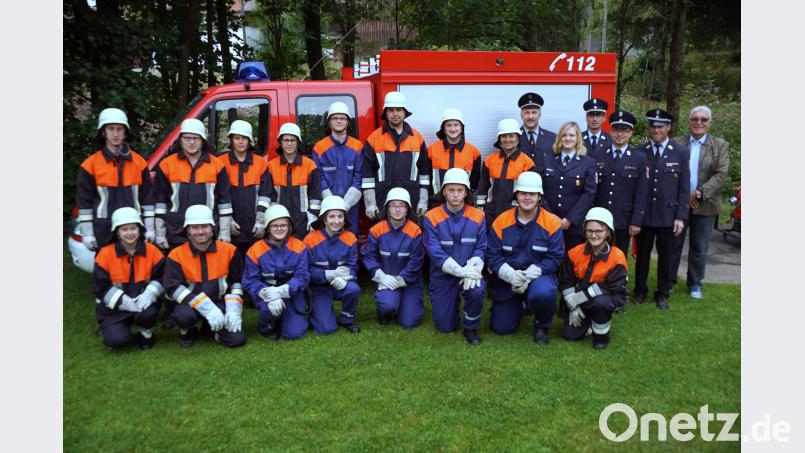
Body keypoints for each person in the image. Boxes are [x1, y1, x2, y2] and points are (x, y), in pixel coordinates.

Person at [486, 172, 563, 344]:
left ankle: (542, 325)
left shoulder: (551, 223)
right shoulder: (501, 221)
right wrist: (509, 274)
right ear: (516, 195)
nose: (527, 198)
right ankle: (520, 306)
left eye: (532, 194)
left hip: (538, 277)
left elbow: (555, 257)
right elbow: (492, 255)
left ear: (539, 197)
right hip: (509, 279)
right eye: (523, 193)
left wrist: (531, 274)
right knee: (500, 328)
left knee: (544, 292)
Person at [163, 205, 246, 348]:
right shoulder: (176, 255)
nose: (200, 231)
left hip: (219, 303)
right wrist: (204, 306)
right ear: (187, 230)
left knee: (236, 340)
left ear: (212, 227)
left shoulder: (229, 251)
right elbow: (172, 287)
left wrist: (234, 308)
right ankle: (188, 330)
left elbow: (237, 281)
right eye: (195, 227)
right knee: (184, 317)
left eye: (204, 227)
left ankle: (211, 329)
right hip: (189, 305)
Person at [669, 106, 730, 299]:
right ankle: (668, 280)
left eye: (704, 119)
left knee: (700, 247)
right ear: (689, 121)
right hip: (679, 203)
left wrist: (698, 193)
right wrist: (685, 196)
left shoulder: (720, 145)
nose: (699, 122)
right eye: (695, 119)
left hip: (706, 204)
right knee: (673, 244)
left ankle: (694, 283)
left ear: (709, 123)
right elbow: (669, 172)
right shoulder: (676, 142)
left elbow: (720, 175)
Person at [633, 109, 690, 310]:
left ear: (668, 128)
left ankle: (663, 293)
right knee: (642, 256)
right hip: (645, 214)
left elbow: (684, 187)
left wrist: (681, 216)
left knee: (666, 257)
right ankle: (640, 290)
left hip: (668, 214)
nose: (656, 129)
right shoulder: (640, 151)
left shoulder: (681, 152)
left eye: (660, 126)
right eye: (653, 126)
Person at [76, 107, 155, 251]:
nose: (115, 134)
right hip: (103, 228)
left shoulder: (139, 163)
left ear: (126, 133)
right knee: (106, 270)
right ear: (104, 132)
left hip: (134, 226)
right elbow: (84, 202)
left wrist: (150, 228)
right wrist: (88, 233)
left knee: (135, 269)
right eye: (111, 129)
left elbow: (148, 199)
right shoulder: (90, 165)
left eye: (119, 129)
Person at [423, 168, 487, 345]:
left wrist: (472, 269)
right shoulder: (431, 217)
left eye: (460, 190)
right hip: (443, 276)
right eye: (451, 190)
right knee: (445, 327)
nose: (456, 195)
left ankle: (470, 326)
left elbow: (481, 247)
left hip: (469, 271)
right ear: (444, 191)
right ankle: (451, 311)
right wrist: (459, 271)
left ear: (466, 191)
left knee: (477, 289)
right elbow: (435, 252)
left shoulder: (478, 215)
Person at [153, 118, 233, 250]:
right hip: (175, 231)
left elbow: (224, 201)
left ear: (202, 141)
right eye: (187, 138)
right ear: (180, 140)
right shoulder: (166, 165)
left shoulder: (217, 166)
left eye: (196, 138)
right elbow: (161, 201)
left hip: (207, 232)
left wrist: (224, 232)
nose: (191, 142)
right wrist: (160, 232)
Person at [92, 207, 165, 349]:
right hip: (114, 308)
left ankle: (146, 333)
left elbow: (163, 277)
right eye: (124, 229)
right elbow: (100, 287)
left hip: (143, 303)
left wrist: (150, 293)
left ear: (139, 230)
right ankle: (118, 327)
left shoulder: (152, 251)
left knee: (148, 313)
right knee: (116, 341)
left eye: (133, 228)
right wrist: (122, 300)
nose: (130, 233)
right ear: (117, 233)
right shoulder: (105, 254)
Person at [560, 207, 627, 350]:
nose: (594, 235)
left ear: (608, 232)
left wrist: (580, 297)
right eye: (590, 231)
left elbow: (610, 287)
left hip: (606, 298)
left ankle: (601, 336)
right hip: (582, 300)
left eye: (599, 231)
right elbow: (566, 280)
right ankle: (589, 322)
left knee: (601, 303)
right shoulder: (574, 253)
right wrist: (573, 304)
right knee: (569, 335)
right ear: (584, 231)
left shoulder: (617, 257)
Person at [243, 204, 311, 340]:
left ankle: (286, 317)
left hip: (291, 292)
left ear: (289, 226)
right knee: (269, 309)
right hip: (267, 293)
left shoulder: (299, 246)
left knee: (294, 334)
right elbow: (250, 281)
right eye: (275, 225)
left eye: (283, 225)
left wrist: (282, 291)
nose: (279, 229)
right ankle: (266, 326)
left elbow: (303, 276)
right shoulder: (255, 250)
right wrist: (267, 293)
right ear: (268, 227)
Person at [362, 187, 425, 328]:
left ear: (407, 209)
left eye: (401, 205)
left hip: (410, 281)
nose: (397, 209)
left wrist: (402, 278)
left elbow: (416, 260)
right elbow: (369, 257)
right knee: (387, 305)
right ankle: (384, 311)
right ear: (387, 208)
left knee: (408, 322)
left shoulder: (415, 231)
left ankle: (408, 304)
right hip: (386, 279)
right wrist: (381, 276)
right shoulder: (376, 230)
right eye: (393, 205)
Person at [361, 91, 431, 220]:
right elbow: (367, 175)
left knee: (410, 237)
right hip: (382, 201)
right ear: (385, 113)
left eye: (398, 110)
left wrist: (423, 200)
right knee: (382, 236)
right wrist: (370, 204)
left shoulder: (417, 138)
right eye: (391, 110)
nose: (395, 114)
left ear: (405, 112)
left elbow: (424, 173)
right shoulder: (374, 138)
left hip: (412, 201)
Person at [592, 110, 648, 261]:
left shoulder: (639, 158)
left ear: (631, 133)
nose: (619, 134)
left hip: (623, 218)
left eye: (624, 130)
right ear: (610, 131)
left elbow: (642, 193)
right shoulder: (598, 154)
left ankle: (618, 284)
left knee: (619, 256)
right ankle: (596, 283)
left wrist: (636, 221)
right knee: (597, 254)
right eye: (616, 130)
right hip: (600, 216)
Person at [219, 120, 275, 264]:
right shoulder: (221, 163)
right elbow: (219, 195)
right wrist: (227, 220)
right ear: (231, 140)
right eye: (237, 138)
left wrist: (261, 220)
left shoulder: (261, 163)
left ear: (250, 141)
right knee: (232, 264)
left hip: (255, 228)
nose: (240, 141)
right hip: (232, 227)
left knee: (256, 263)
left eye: (244, 138)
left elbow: (266, 193)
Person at [304, 195, 361, 335]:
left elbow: (353, 267)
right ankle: (314, 311)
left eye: (340, 216)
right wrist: (327, 275)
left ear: (345, 218)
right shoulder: (310, 240)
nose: (336, 221)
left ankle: (348, 319)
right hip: (318, 287)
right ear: (324, 218)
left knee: (353, 289)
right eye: (332, 216)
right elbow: (306, 271)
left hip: (341, 284)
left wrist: (345, 279)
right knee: (326, 329)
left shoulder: (350, 238)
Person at [541, 121, 598, 252]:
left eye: (572, 135)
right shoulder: (547, 159)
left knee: (572, 261)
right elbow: (540, 190)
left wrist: (570, 219)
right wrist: (551, 217)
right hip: (548, 221)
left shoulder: (588, 163)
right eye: (564, 135)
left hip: (574, 225)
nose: (567, 138)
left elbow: (589, 194)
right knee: (549, 258)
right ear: (559, 138)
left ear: (578, 138)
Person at [312, 102, 363, 235]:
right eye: (335, 118)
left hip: (350, 207)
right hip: (327, 206)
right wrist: (332, 205)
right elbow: (319, 178)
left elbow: (359, 177)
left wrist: (345, 205)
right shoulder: (319, 147)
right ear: (329, 122)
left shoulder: (357, 146)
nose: (339, 121)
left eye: (343, 118)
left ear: (348, 122)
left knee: (350, 237)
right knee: (328, 238)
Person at [266, 122, 322, 239]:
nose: (289, 143)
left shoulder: (310, 165)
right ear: (280, 143)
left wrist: (312, 219)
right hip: (279, 222)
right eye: (286, 140)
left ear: (298, 143)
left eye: (293, 140)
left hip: (303, 222)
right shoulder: (271, 166)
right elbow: (269, 196)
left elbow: (315, 196)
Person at [477, 118, 536, 224]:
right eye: (504, 136)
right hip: (490, 214)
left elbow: (531, 194)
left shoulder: (527, 163)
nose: (507, 139)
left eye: (511, 136)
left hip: (516, 214)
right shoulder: (489, 161)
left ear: (518, 138)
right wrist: (480, 208)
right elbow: (482, 188)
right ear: (499, 139)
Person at [425, 108, 482, 209]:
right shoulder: (431, 150)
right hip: (436, 204)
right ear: (444, 128)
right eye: (449, 125)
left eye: (456, 125)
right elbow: (426, 179)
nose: (452, 129)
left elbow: (475, 184)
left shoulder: (473, 152)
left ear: (461, 128)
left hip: (463, 205)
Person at [517, 92, 556, 172]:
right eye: (527, 113)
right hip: (520, 183)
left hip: (545, 184)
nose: (530, 117)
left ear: (539, 114)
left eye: (534, 112)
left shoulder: (552, 138)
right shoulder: (514, 138)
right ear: (521, 115)